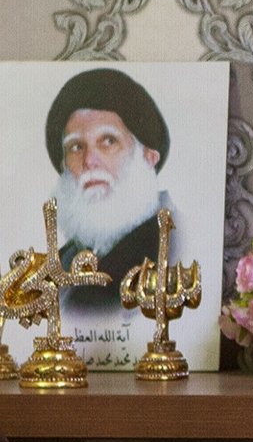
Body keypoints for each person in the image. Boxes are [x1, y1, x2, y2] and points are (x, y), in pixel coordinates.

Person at [45, 68, 175, 313]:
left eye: (108, 141)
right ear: (64, 166)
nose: (89, 161)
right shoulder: (61, 263)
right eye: (76, 147)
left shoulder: (172, 247)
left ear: (148, 157)